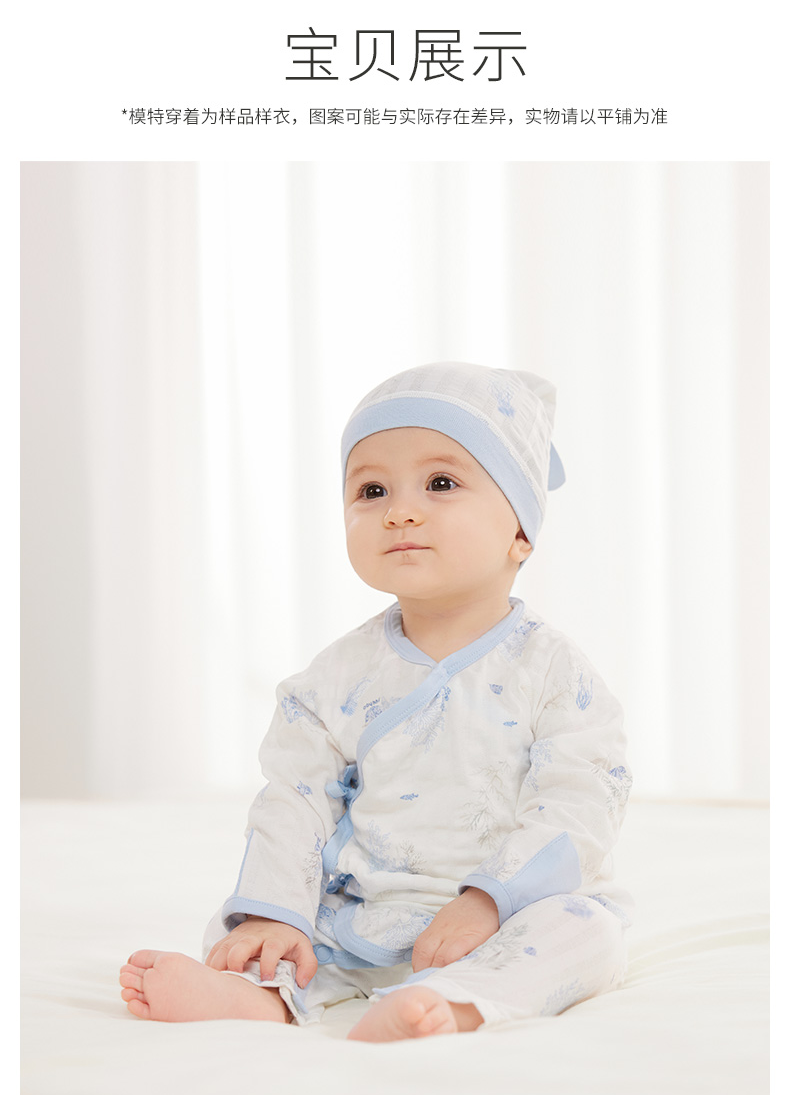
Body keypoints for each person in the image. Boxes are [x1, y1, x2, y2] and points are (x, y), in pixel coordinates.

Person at [119, 362, 633, 1042]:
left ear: (521, 531)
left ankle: (454, 1001)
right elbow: (294, 799)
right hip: (361, 913)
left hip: (504, 915)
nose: (400, 510)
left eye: (440, 483)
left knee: (589, 931)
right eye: (372, 489)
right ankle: (261, 994)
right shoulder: (333, 679)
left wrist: (489, 900)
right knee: (247, 919)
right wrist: (276, 914)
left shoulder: (555, 672)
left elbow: (580, 799)